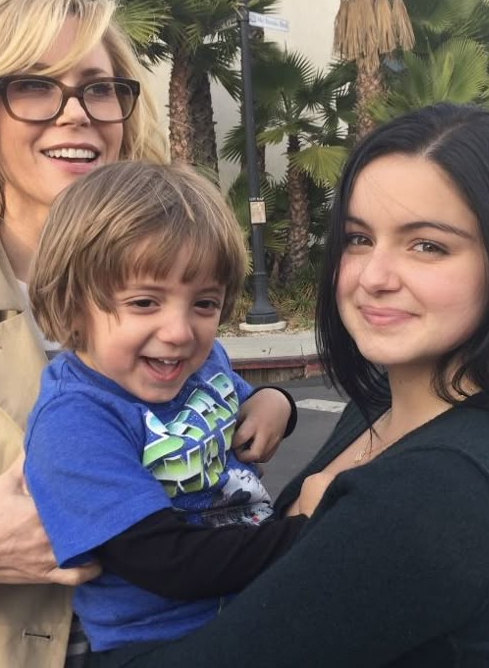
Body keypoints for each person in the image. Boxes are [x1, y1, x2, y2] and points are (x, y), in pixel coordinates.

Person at [107, 103, 489, 668]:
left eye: (427, 245)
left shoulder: (443, 490)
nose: (375, 276)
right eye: (357, 238)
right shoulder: (380, 404)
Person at [0, 0, 282, 668]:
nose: (76, 113)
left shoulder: (167, 277)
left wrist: (268, 402)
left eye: (98, 88)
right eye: (35, 85)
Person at [23, 161, 320, 666]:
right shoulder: (75, 420)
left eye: (204, 303)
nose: (180, 331)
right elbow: (166, 561)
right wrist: (315, 533)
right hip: (159, 637)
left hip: (246, 597)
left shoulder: (198, 367)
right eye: (144, 302)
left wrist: (278, 404)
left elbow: (244, 402)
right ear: (74, 307)